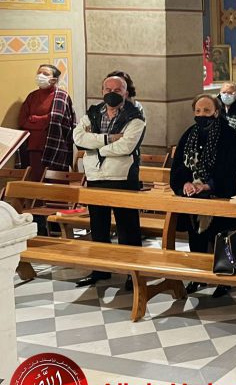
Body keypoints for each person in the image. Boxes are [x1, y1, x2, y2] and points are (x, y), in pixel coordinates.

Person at [72, 75, 146, 289]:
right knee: (98, 227)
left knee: (128, 228)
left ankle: (133, 273)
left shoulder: (135, 116)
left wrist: (95, 147)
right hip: (95, 177)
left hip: (122, 178)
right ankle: (100, 269)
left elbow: (126, 147)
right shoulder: (92, 113)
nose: (112, 92)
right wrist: (108, 139)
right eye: (108, 88)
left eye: (118, 88)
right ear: (102, 90)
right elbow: (78, 138)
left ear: (126, 92)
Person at [170, 95, 236, 297]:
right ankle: (198, 276)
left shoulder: (228, 135)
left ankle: (223, 279)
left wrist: (209, 185)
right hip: (194, 197)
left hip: (219, 195)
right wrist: (185, 184)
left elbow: (233, 168)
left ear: (216, 112)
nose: (202, 115)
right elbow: (178, 166)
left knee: (220, 236)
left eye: (207, 111)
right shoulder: (189, 135)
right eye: (198, 111)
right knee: (197, 237)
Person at [18, 63, 75, 180]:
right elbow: (22, 121)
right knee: (36, 183)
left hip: (56, 147)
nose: (40, 76)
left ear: (54, 80)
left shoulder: (62, 96)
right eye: (39, 73)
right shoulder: (31, 96)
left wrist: (33, 119)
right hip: (34, 148)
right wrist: (45, 120)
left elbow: (57, 119)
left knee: (56, 185)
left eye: (45, 74)